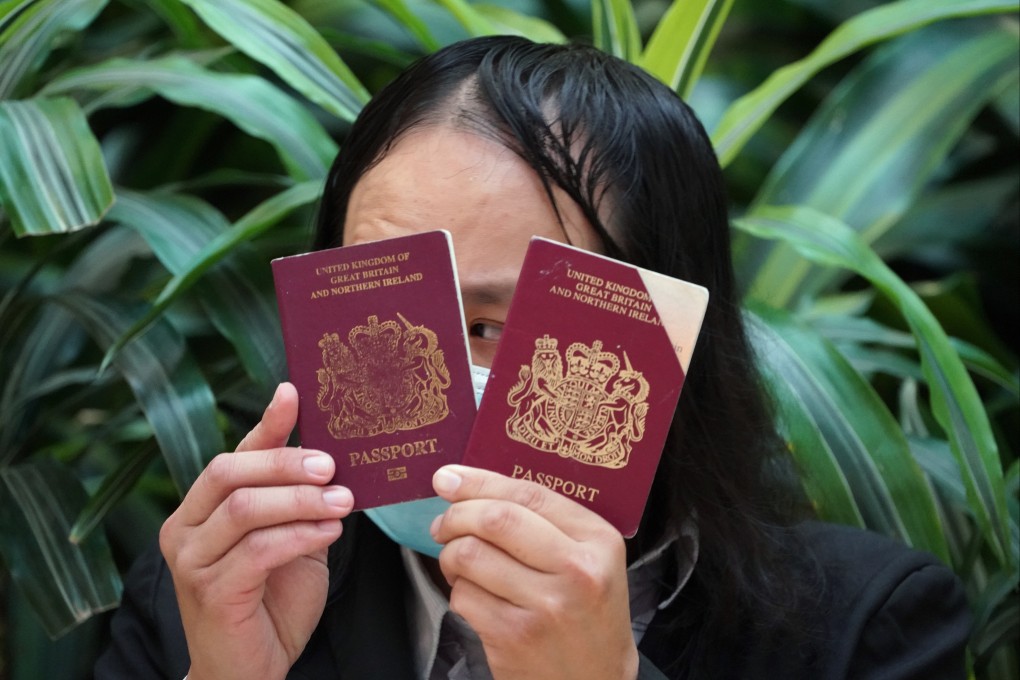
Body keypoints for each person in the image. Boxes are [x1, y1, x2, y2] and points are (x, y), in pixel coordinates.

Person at [95, 36, 971, 679]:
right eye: (379, 306)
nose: (421, 370)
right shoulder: (210, 596)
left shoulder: (864, 630)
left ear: (660, 339)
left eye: (487, 327)